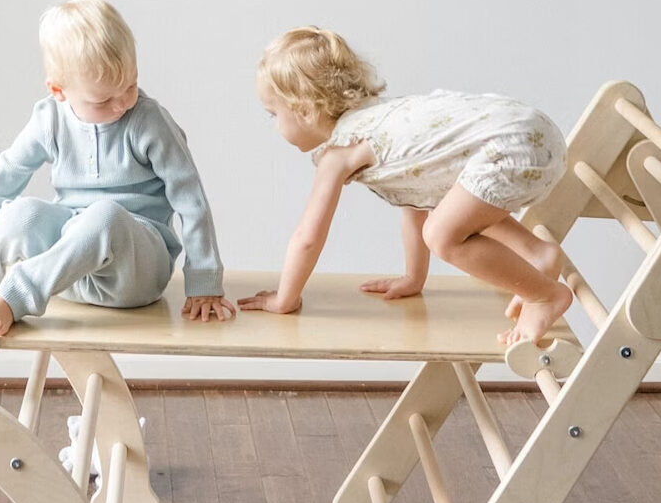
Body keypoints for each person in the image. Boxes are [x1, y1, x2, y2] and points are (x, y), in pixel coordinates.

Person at [0, 0, 235, 337]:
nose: (124, 103)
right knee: (22, 212)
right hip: (71, 268)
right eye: (103, 99)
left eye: (131, 85)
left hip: (134, 272)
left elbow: (191, 200)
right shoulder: (49, 119)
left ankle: (19, 294)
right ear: (58, 90)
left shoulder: (149, 122)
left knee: (105, 215)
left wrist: (204, 280)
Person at [238, 27, 571, 344]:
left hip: (513, 147)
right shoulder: (384, 117)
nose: (274, 125)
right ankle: (537, 253)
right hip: (535, 134)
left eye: (273, 114)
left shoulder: (339, 152)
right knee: (452, 208)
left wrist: (285, 298)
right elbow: (418, 201)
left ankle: (544, 295)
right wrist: (415, 277)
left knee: (442, 235)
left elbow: (308, 237)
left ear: (305, 111)